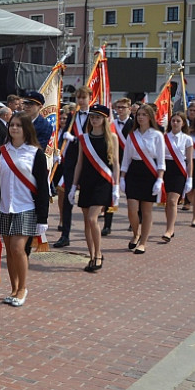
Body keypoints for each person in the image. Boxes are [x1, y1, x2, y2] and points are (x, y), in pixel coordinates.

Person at [0, 113, 49, 305]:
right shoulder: (2, 151)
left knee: (19, 249)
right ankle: (13, 288)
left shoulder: (35, 153)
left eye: (19, 125)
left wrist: (42, 219)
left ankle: (22, 288)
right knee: (9, 251)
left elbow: (43, 188)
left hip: (26, 206)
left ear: (26, 129)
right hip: (4, 207)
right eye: (12, 125)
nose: (14, 128)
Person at [69, 104, 119, 272]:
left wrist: (116, 187)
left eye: (98, 117)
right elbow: (79, 163)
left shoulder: (112, 137)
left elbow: (116, 164)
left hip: (103, 182)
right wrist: (73, 186)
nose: (94, 119)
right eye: (92, 116)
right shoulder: (84, 138)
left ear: (104, 119)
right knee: (86, 222)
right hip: (87, 181)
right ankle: (91, 255)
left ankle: (98, 254)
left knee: (92, 219)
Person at [119, 103, 165, 253]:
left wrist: (159, 179)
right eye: (139, 114)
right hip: (134, 171)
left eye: (144, 115)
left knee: (146, 211)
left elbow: (161, 160)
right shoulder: (132, 135)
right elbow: (126, 158)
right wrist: (122, 177)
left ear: (150, 117)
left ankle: (143, 242)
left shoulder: (157, 135)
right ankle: (135, 233)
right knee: (132, 208)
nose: (140, 117)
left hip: (149, 173)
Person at [53, 86, 93, 248]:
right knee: (68, 199)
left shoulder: (94, 116)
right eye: (78, 98)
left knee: (87, 200)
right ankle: (65, 235)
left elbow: (92, 138)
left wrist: (76, 140)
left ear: (90, 97)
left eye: (84, 97)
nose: (81, 101)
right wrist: (59, 152)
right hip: (70, 162)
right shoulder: (72, 115)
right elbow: (64, 136)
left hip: (88, 162)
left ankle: (89, 232)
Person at [159, 112, 193, 242]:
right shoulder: (163, 137)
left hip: (179, 170)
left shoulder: (187, 139)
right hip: (166, 169)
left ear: (183, 123)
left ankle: (169, 229)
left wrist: (190, 178)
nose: (175, 123)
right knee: (167, 202)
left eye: (178, 121)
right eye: (173, 120)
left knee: (173, 201)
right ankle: (169, 226)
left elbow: (189, 160)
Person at [103, 97, 134, 235]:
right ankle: (107, 225)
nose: (120, 110)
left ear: (129, 108)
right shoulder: (111, 125)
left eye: (123, 107)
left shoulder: (134, 124)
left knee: (131, 195)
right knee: (110, 194)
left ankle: (134, 221)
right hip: (114, 162)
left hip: (131, 163)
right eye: (118, 107)